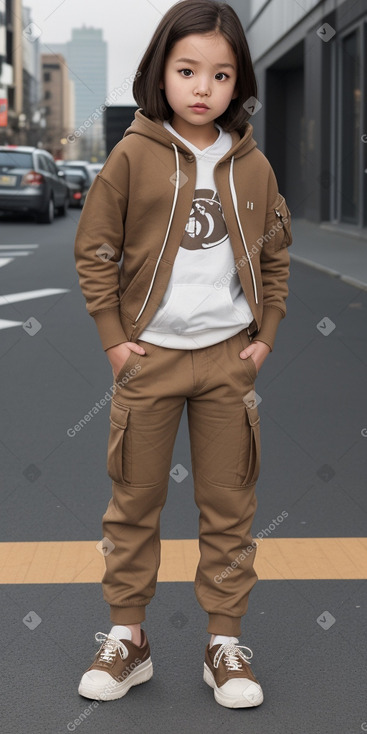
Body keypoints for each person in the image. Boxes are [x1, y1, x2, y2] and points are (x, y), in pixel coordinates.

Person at [74, 0, 292, 709]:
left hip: (228, 359)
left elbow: (276, 255)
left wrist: (264, 338)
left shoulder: (251, 164)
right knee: (133, 504)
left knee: (228, 505)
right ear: (159, 73)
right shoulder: (133, 154)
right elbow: (94, 251)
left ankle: (222, 644)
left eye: (221, 74)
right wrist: (114, 340)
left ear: (238, 83)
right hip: (149, 360)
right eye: (187, 70)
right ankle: (127, 639)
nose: (203, 88)